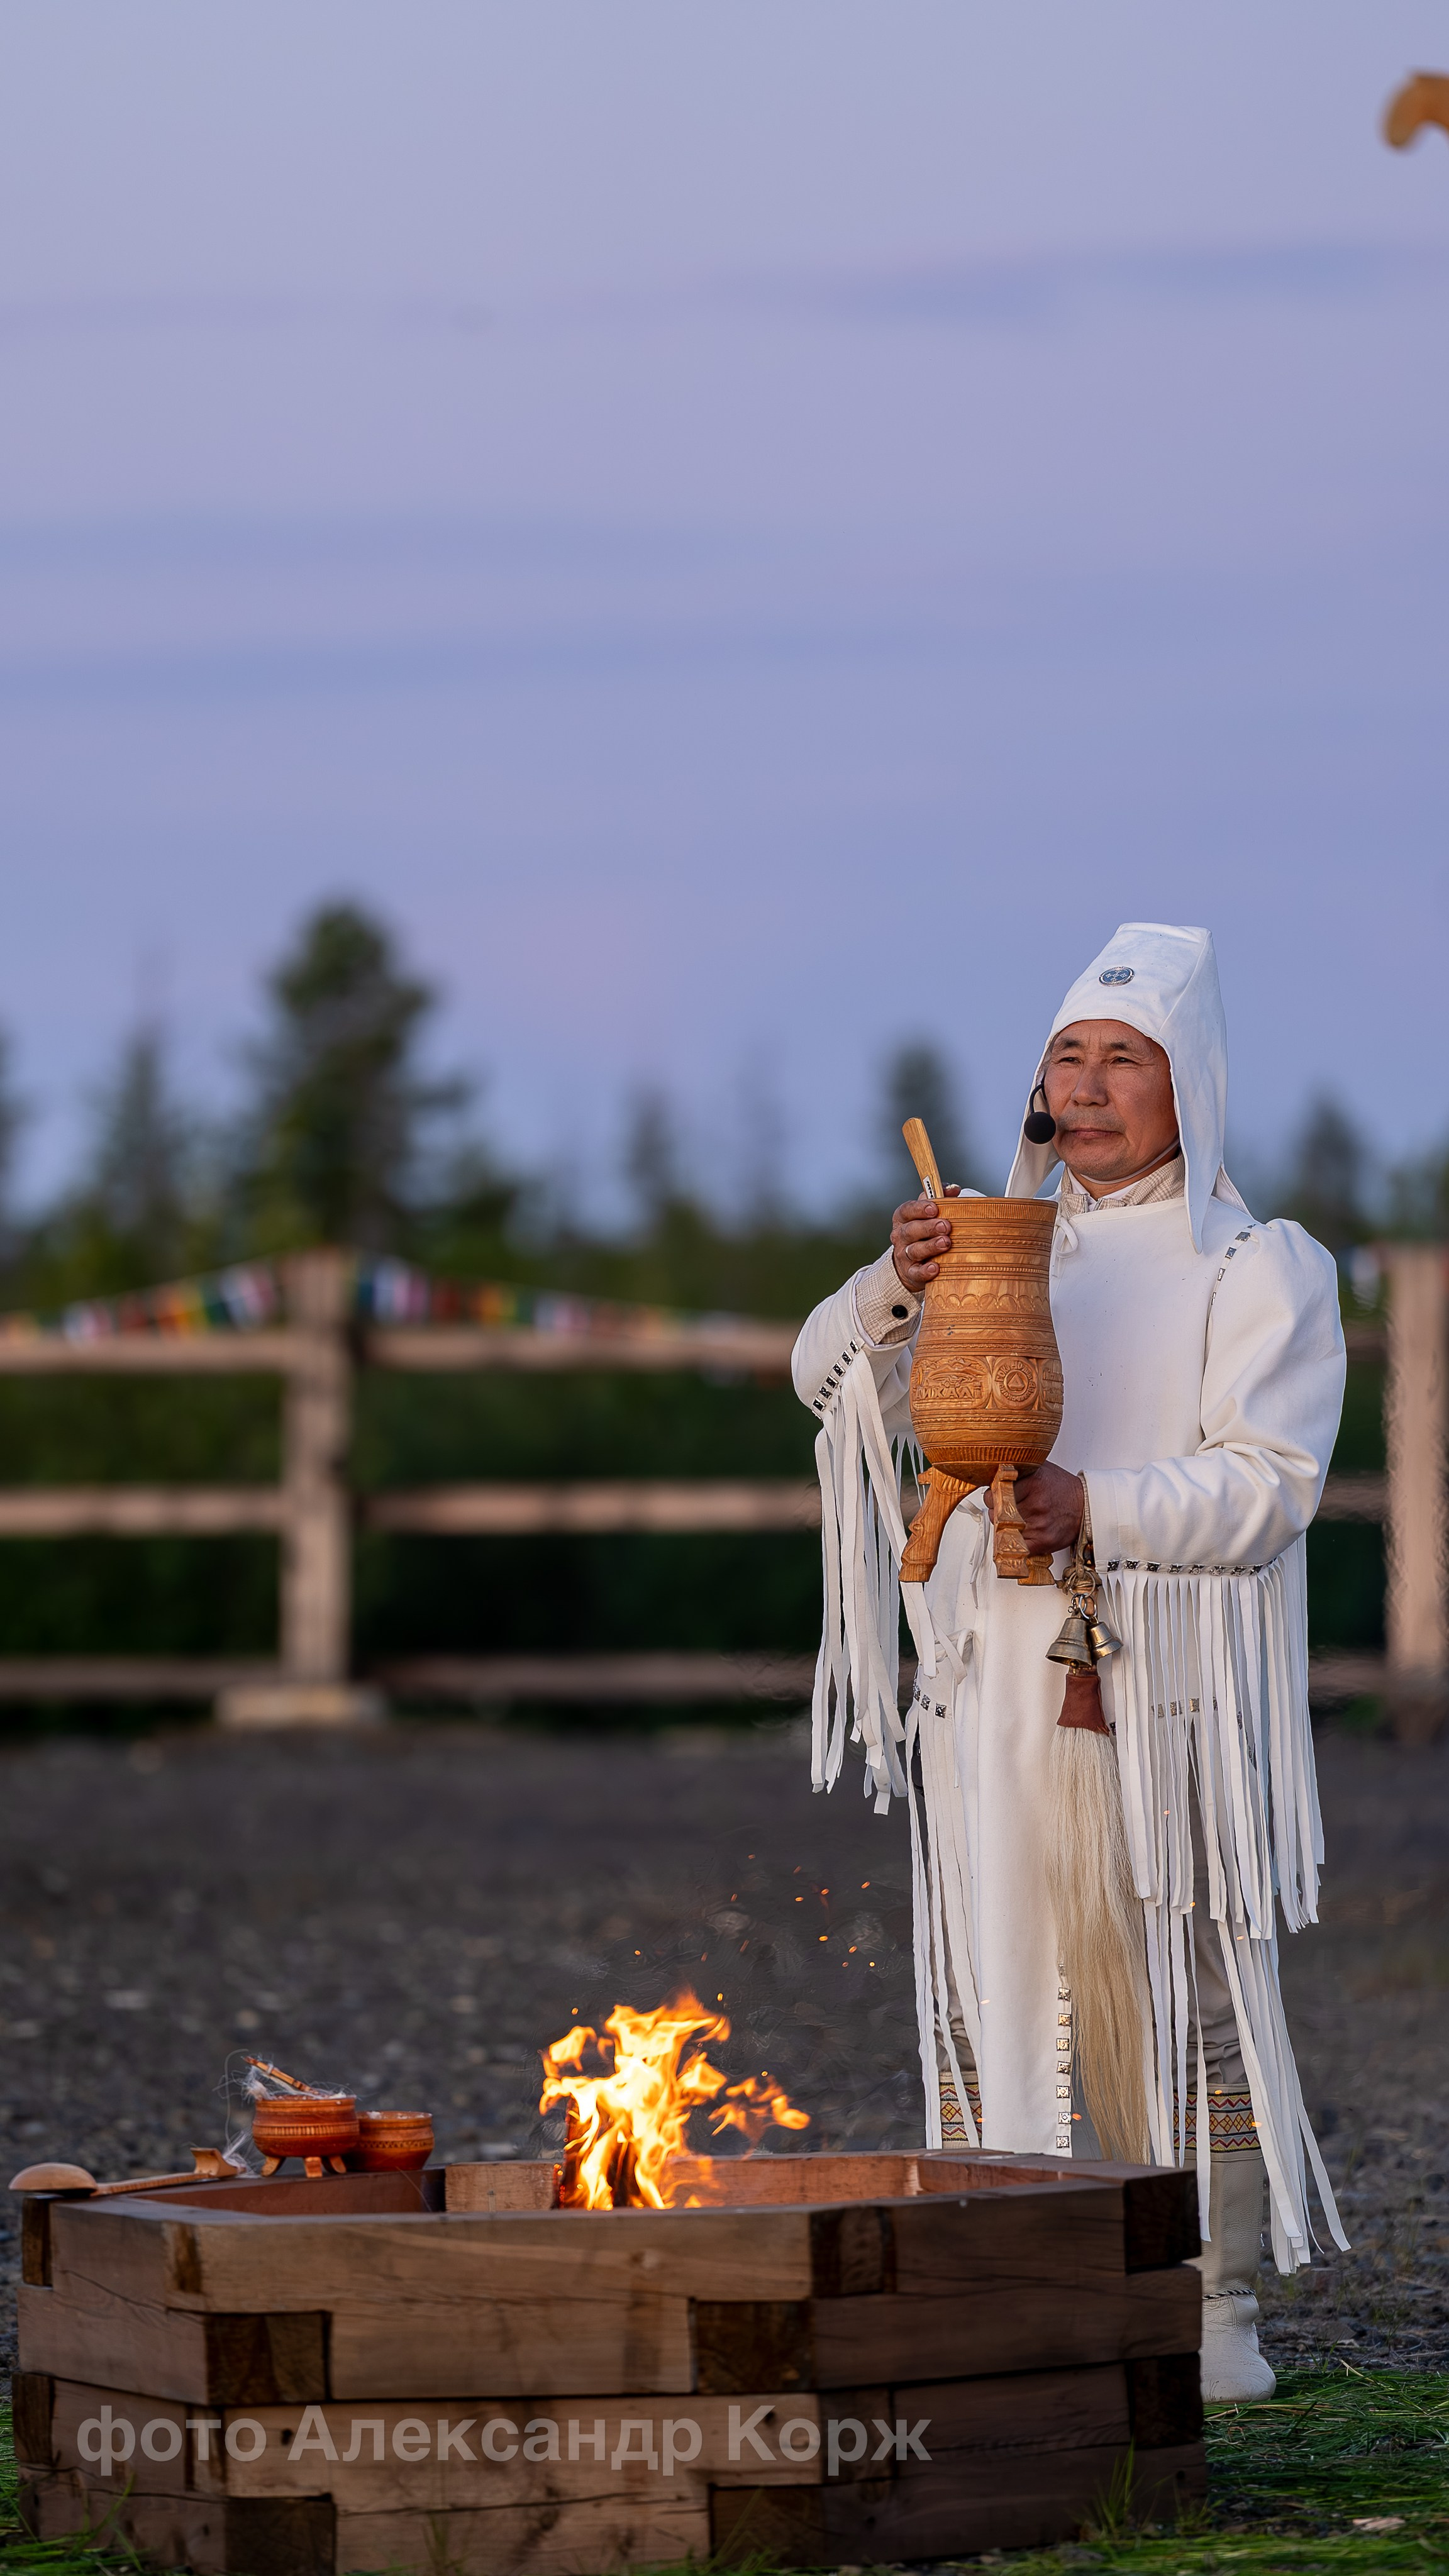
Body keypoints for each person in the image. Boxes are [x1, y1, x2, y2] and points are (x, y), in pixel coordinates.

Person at [793, 923, 1347, 2402]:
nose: (1090, 1088)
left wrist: (1094, 1503)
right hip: (989, 1680)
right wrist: (893, 1287)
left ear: (1189, 1090)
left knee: (1187, 1986)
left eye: (1126, 1061)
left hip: (1158, 1677)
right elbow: (820, 1376)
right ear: (1035, 1087)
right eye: (1069, 1057)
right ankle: (1016, 2296)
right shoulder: (977, 1235)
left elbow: (1273, 1481)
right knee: (1001, 1972)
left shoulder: (1258, 1265)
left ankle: (1214, 2311)